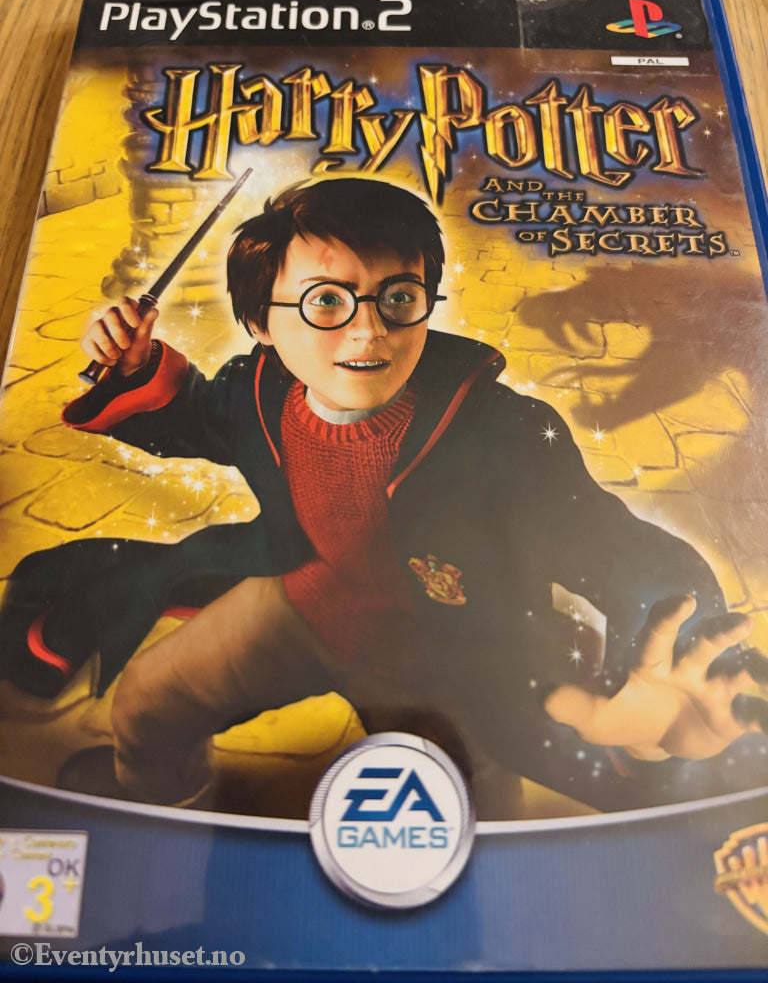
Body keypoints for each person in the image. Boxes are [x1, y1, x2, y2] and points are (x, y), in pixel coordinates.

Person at [2, 178, 765, 814]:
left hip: (454, 661)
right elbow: (197, 418)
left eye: (397, 297)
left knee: (473, 820)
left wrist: (677, 652)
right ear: (261, 322)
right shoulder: (259, 387)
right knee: (148, 703)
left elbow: (611, 544)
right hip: (303, 605)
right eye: (326, 302)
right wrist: (137, 368)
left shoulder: (499, 433)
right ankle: (169, 810)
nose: (368, 331)